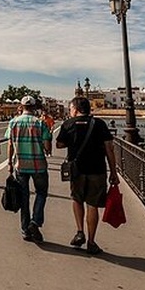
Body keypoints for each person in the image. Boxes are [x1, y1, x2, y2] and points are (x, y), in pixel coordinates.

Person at [56, 96, 120, 255]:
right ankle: (91, 242)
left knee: (77, 199)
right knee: (93, 205)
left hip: (77, 170)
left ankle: (80, 232)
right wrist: (113, 172)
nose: (70, 111)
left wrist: (73, 141)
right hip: (97, 170)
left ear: (76, 109)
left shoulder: (68, 124)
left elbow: (59, 144)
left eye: (71, 108)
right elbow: (109, 148)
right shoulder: (99, 124)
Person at [6, 96, 53, 243]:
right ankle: (35, 222)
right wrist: (46, 146)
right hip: (39, 166)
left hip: (21, 165)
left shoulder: (13, 122)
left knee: (24, 197)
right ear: (34, 108)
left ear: (21, 107)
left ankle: (25, 230)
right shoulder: (40, 123)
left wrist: (9, 162)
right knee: (41, 193)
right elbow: (47, 147)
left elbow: (10, 144)